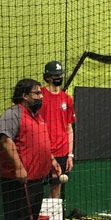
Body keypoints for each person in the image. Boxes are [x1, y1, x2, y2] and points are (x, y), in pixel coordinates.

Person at [0, 79, 62, 220]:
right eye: (37, 93)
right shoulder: (12, 114)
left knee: (30, 218)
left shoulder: (37, 116)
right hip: (18, 179)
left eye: (41, 93)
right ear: (24, 96)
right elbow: (6, 140)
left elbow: (41, 142)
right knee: (16, 219)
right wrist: (19, 167)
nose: (41, 96)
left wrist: (52, 160)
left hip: (37, 177)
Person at [40, 61, 75, 200]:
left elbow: (69, 128)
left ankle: (53, 214)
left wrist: (70, 155)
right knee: (36, 189)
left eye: (60, 75)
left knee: (56, 188)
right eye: (56, 75)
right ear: (48, 77)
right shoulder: (40, 96)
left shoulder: (67, 99)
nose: (59, 77)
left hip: (61, 151)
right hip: (42, 151)